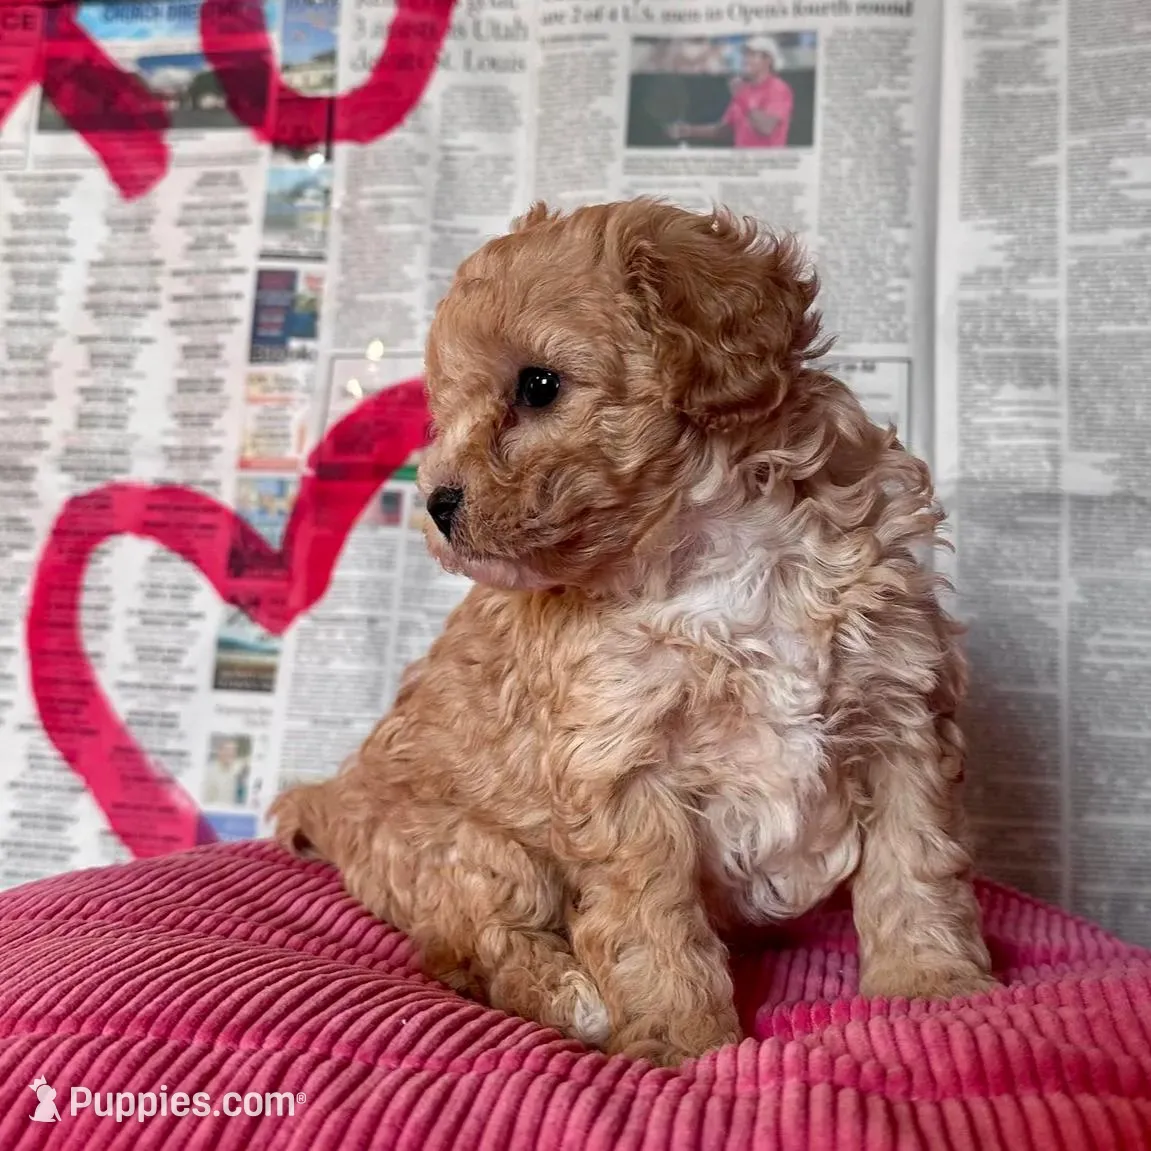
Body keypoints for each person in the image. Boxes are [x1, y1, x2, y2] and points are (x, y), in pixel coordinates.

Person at [668, 35, 793, 148]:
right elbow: (724, 130)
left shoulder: (778, 88)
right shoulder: (744, 90)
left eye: (752, 55)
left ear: (768, 60)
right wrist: (689, 130)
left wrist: (741, 97)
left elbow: (766, 128)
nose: (746, 60)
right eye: (745, 55)